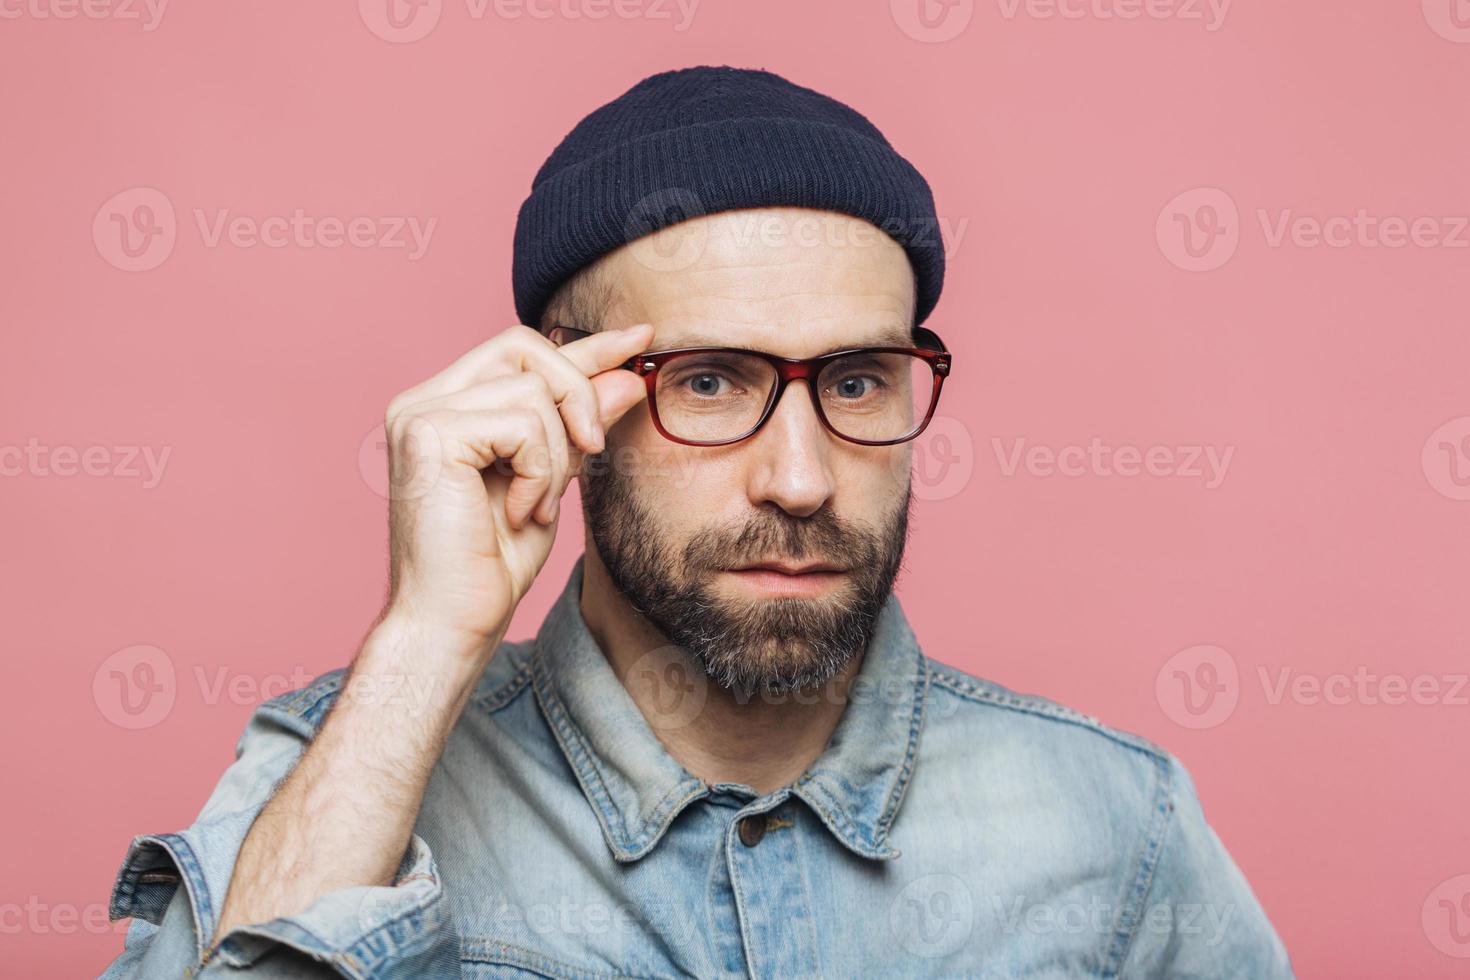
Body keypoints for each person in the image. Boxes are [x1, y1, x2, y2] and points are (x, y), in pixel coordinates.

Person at [101, 66, 1293, 978]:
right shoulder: (349, 762)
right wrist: (423, 640)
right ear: (562, 404)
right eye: (711, 380)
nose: (801, 477)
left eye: (859, 379)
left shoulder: (1114, 822)